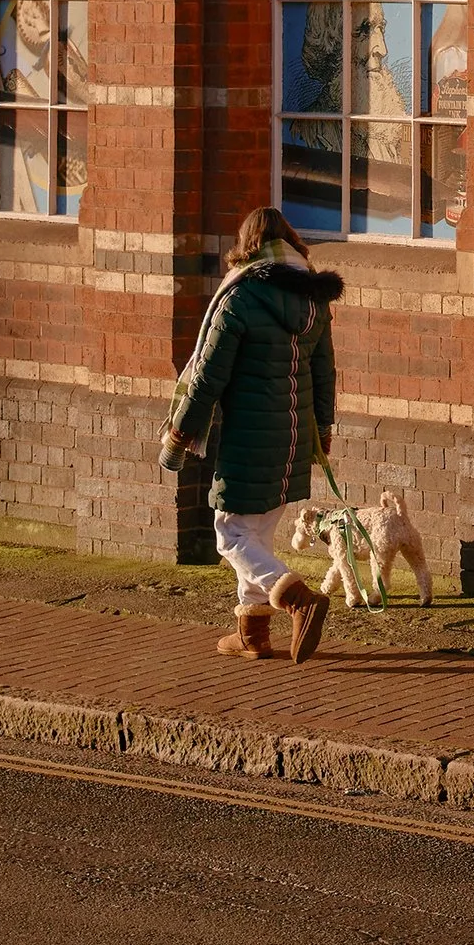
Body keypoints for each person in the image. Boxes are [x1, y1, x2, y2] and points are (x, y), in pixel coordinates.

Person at [161, 207, 340, 662]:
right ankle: (251, 635)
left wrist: (181, 430)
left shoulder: (239, 299)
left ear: (248, 246)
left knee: (230, 535)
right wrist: (324, 431)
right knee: (256, 535)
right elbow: (324, 372)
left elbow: (208, 376)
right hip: (295, 436)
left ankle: (298, 598)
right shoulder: (314, 301)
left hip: (248, 435)